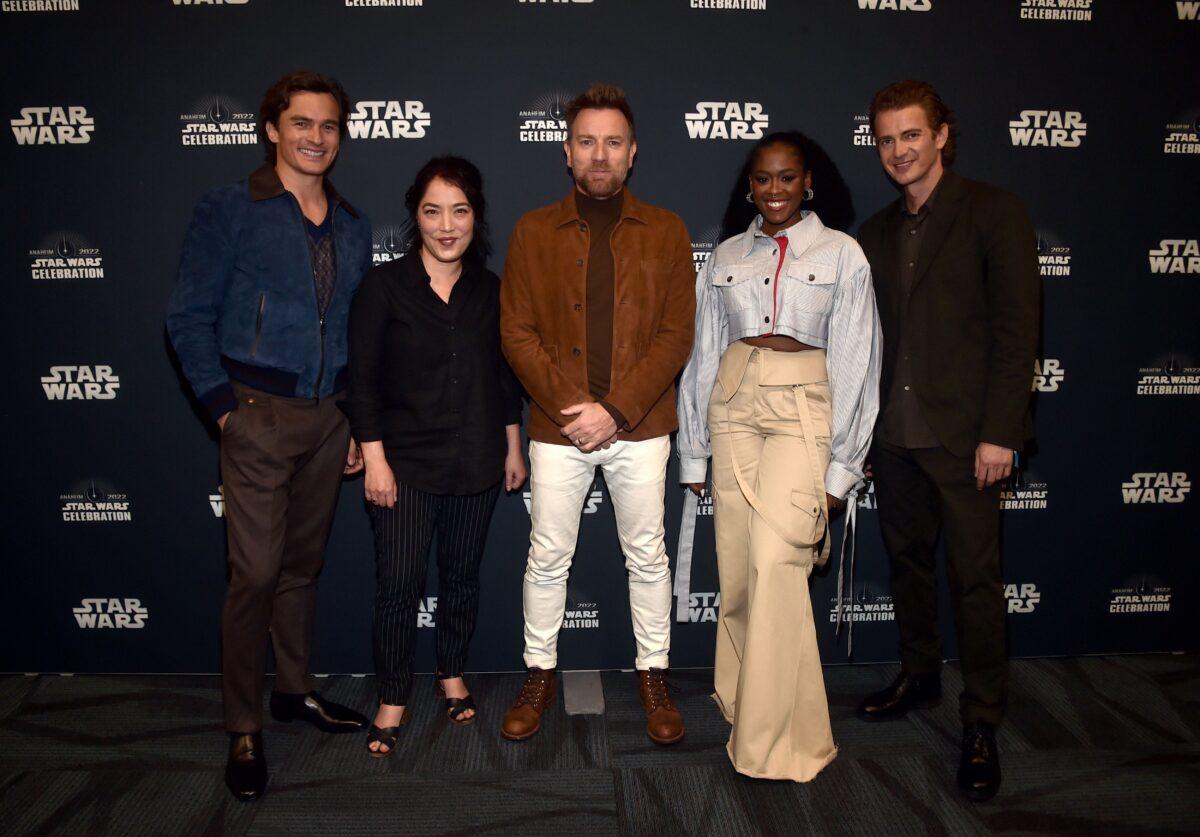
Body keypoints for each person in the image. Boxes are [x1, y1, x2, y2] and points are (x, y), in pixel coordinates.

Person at [166, 70, 372, 801]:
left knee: (300, 566)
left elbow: (352, 331)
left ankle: (293, 690)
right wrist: (225, 409)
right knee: (252, 573)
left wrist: (352, 417)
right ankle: (242, 724)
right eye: (302, 123)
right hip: (255, 413)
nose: (317, 138)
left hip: (328, 420)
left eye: (329, 126)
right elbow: (187, 316)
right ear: (271, 130)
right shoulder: (229, 208)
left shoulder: (352, 223)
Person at [855, 80, 1040, 802]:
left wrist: (1001, 432)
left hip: (968, 440)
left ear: (941, 136)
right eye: (886, 139)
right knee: (907, 565)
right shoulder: (873, 233)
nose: (898, 150)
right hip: (894, 435)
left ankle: (983, 718)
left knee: (974, 580)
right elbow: (863, 342)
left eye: (910, 135)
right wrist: (862, 430)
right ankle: (920, 672)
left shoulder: (994, 212)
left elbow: (1016, 332)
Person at [677, 131, 882, 782]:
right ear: (749, 187)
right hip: (734, 403)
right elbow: (704, 353)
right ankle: (745, 698)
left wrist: (842, 468)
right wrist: (693, 453)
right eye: (762, 179)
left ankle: (773, 741)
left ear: (808, 183)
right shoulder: (728, 255)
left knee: (778, 560)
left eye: (786, 178)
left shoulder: (843, 253)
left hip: (803, 408)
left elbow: (857, 360)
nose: (774, 190)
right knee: (738, 569)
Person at [499, 83, 695, 744]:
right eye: (587, 141)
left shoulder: (666, 230)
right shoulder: (532, 230)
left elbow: (676, 335)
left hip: (641, 426)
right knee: (547, 555)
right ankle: (539, 673)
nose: (600, 154)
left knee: (647, 555)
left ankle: (654, 674)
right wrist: (572, 410)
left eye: (613, 142)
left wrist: (614, 410)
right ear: (567, 151)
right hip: (559, 429)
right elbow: (516, 332)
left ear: (633, 152)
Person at [343, 156, 526, 757]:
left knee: (462, 581)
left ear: (477, 217)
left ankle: (451, 673)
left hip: (475, 462)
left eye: (460, 210)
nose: (447, 225)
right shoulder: (383, 288)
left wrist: (513, 446)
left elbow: (503, 380)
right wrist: (374, 458)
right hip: (404, 467)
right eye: (432, 211)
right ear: (414, 217)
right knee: (398, 586)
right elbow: (362, 382)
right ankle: (393, 695)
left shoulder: (492, 291)